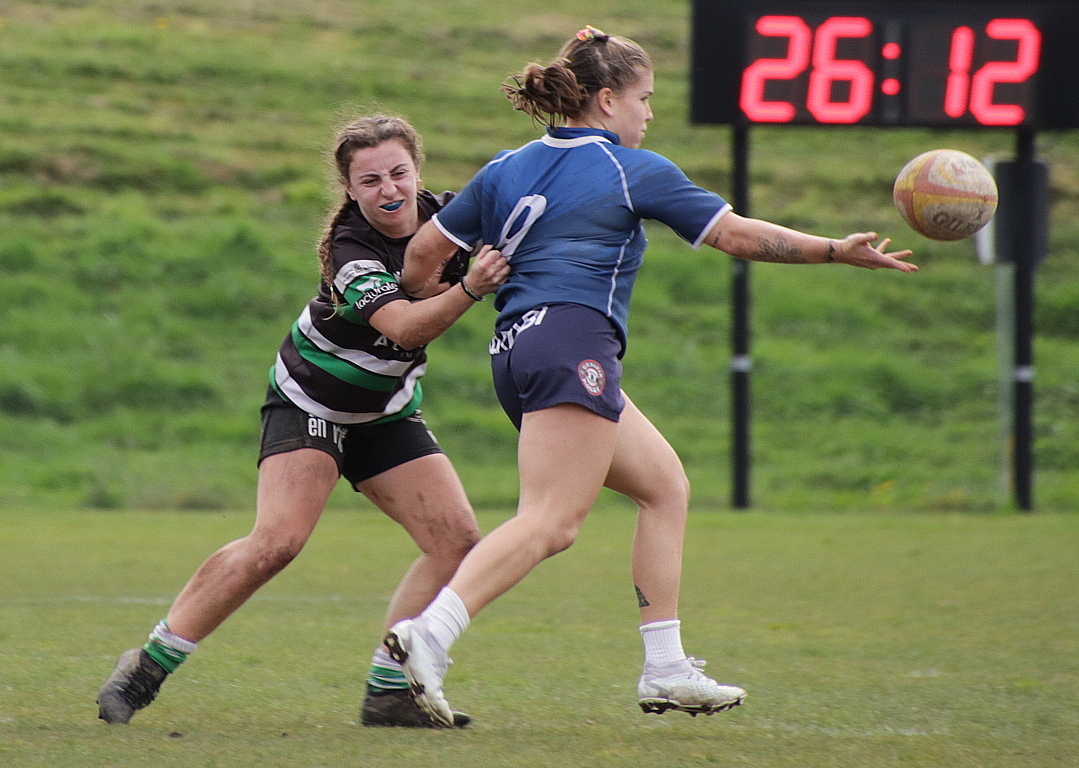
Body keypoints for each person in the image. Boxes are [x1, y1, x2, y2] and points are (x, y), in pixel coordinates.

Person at [385, 25, 919, 727]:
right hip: (573, 341)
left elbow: (420, 258)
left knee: (664, 487)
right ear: (605, 100)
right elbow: (731, 235)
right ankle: (431, 633)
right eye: (644, 98)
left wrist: (451, 292)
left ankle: (665, 666)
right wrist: (831, 250)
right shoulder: (627, 168)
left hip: (516, 349)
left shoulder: (505, 166)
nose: (649, 113)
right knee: (551, 520)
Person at [96, 113, 510, 729]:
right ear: (350, 190)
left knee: (456, 542)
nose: (388, 190)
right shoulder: (351, 250)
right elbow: (403, 327)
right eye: (369, 180)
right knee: (277, 543)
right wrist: (471, 289)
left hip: (384, 411)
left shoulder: (449, 220)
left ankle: (390, 691)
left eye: (398, 173)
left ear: (418, 172)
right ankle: (147, 665)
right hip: (309, 402)